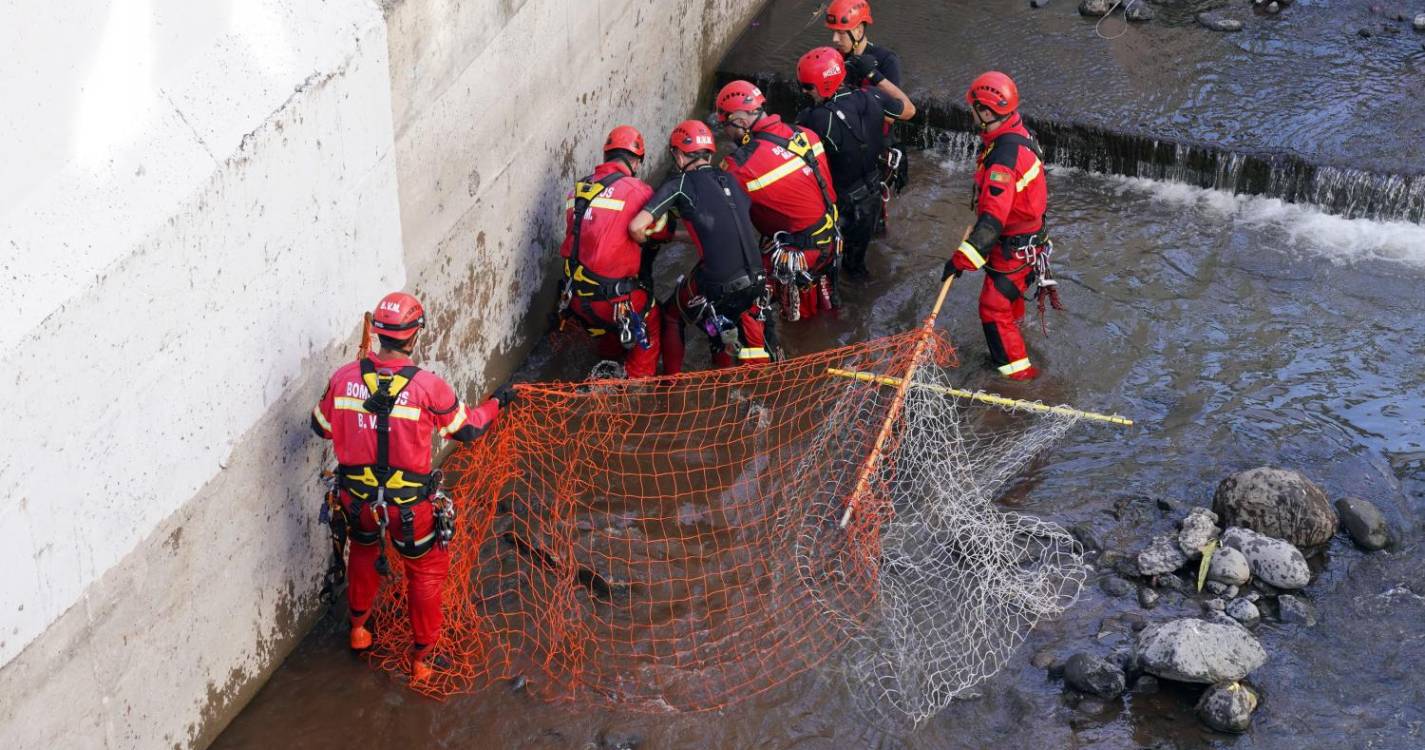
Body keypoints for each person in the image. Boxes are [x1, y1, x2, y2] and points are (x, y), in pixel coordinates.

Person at [311, 291, 513, 683]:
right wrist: (497, 403)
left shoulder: (344, 377)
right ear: (414, 335)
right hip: (410, 509)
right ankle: (421, 660)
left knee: (364, 551)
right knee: (425, 573)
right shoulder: (428, 387)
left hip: (357, 501)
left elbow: (319, 427)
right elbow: (468, 430)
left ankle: (357, 631)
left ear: (378, 335)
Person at [629, 120, 774, 373]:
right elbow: (717, 226)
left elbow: (636, 227)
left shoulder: (680, 184)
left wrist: (645, 241)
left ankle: (671, 384)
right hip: (758, 278)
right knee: (720, 322)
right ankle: (725, 373)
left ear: (678, 154)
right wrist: (680, 236)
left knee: (673, 314)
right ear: (709, 151)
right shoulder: (730, 178)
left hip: (719, 283)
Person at [942, 71, 1050, 381]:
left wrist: (960, 260)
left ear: (987, 112)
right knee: (1009, 302)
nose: (971, 113)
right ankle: (1016, 339)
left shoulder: (1002, 159)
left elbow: (991, 223)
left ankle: (1020, 380)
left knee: (993, 307)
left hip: (1013, 249)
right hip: (1029, 244)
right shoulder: (1018, 133)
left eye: (974, 108)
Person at [714, 80, 840, 322]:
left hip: (798, 252)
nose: (726, 133)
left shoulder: (740, 165)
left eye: (726, 126)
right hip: (831, 238)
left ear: (740, 122)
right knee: (823, 312)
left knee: (742, 301)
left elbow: (720, 220)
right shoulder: (805, 134)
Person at [794, 46, 915, 278]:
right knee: (858, 263)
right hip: (873, 196)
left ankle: (846, 307)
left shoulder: (812, 119)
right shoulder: (872, 97)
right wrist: (875, 76)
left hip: (842, 206)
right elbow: (909, 109)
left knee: (831, 268)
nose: (804, 91)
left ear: (823, 85)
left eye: (808, 87)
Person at [556, 125, 662, 378]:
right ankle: (636, 387)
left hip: (576, 298)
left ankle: (607, 363)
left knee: (609, 328)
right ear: (636, 162)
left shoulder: (578, 190)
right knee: (652, 321)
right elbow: (660, 232)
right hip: (614, 302)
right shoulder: (639, 190)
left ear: (606, 156)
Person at [825, 0, 910, 225]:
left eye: (840, 34)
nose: (834, 40)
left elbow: (897, 110)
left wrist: (871, 77)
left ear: (859, 30)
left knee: (871, 216)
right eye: (833, 33)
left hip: (874, 146)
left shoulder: (885, 61)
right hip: (844, 144)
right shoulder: (834, 59)